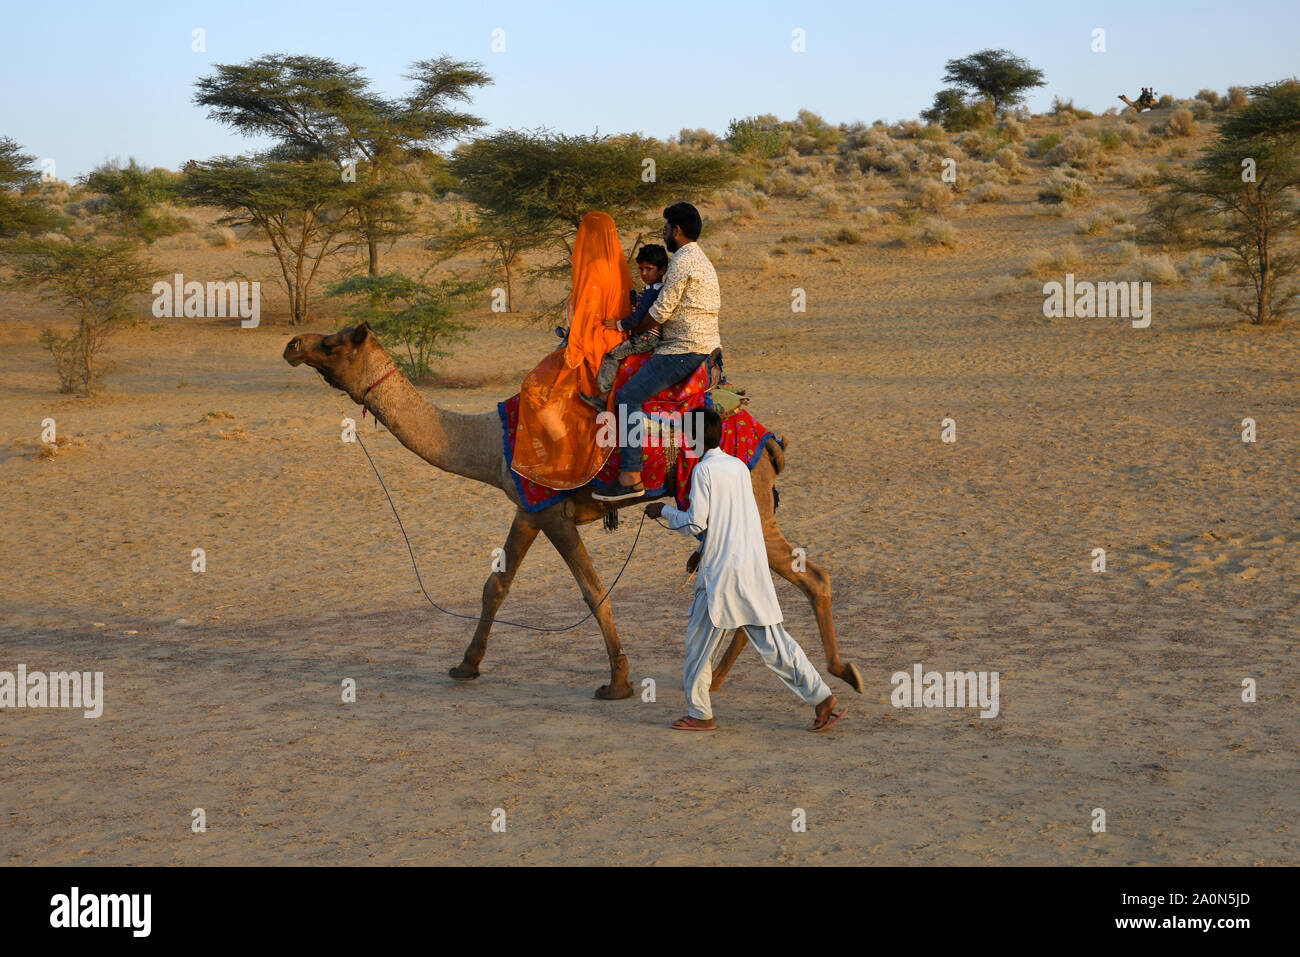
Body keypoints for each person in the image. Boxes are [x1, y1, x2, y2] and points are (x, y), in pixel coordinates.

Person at [644, 408, 848, 732]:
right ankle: (823, 699)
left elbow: (697, 521)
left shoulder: (703, 472)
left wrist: (664, 511)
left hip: (722, 578)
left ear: (695, 438)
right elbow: (733, 518)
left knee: (697, 646)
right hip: (750, 571)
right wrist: (701, 550)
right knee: (778, 646)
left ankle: (700, 714)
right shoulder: (738, 466)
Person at [594, 202, 720, 501]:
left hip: (682, 349)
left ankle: (630, 476)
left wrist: (628, 328)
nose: (664, 233)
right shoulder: (702, 259)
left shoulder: (681, 261)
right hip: (703, 346)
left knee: (627, 396)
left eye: (666, 228)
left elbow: (660, 311)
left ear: (676, 230)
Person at [510, 211, 631, 489]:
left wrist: (573, 353)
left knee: (534, 389)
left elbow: (585, 318)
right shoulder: (617, 264)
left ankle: (563, 457)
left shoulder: (596, 267)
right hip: (614, 342)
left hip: (593, 345)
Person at [578, 243, 669, 412]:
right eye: (641, 269)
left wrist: (618, 325)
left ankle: (603, 396)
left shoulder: (653, 292)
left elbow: (638, 317)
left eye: (649, 269)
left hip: (647, 336)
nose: (643, 273)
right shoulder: (653, 290)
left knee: (612, 356)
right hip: (649, 335)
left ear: (662, 270)